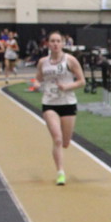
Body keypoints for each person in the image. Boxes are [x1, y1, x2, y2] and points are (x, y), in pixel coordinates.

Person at [35, 30, 86, 186]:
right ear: (48, 44)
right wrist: (36, 85)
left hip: (68, 103)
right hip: (50, 103)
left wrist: (67, 86)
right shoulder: (43, 62)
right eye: (52, 41)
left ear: (63, 44)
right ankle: (60, 172)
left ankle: (61, 165)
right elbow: (37, 78)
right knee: (57, 139)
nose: (55, 44)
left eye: (58, 41)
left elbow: (82, 81)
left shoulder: (70, 60)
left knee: (65, 142)